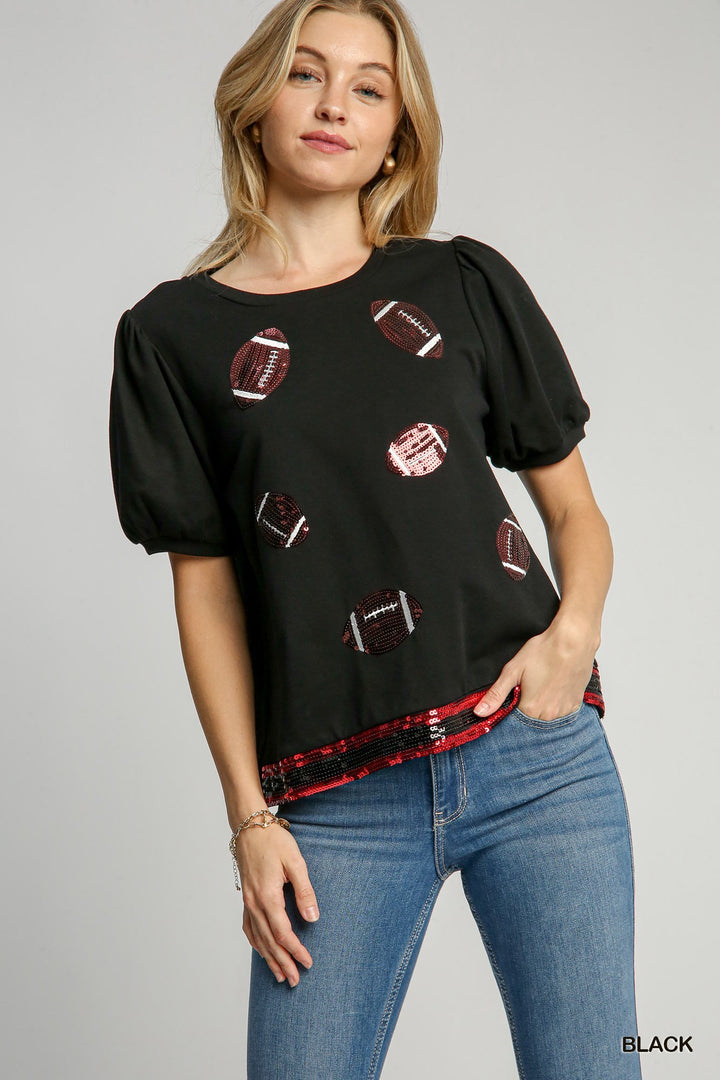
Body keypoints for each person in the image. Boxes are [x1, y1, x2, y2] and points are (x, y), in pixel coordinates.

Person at [108, 1, 643, 1077]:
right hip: (336, 801)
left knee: (598, 1063)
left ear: (398, 133)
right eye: (306, 74)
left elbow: (574, 511)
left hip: (534, 758)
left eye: (368, 87)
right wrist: (251, 820)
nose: (333, 106)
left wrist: (572, 638)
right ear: (256, 104)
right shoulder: (171, 336)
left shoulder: (459, 283)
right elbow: (205, 590)